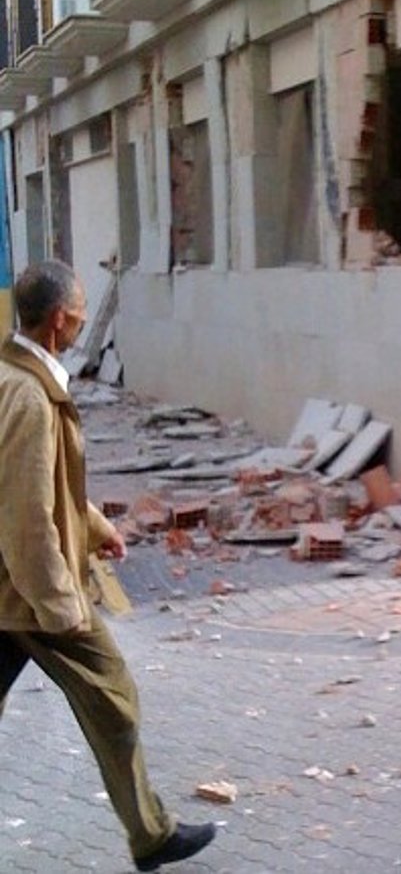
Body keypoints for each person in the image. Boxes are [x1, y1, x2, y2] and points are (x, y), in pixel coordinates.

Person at [0, 260, 216, 871]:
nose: (82, 322)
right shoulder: (30, 398)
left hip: (10, 588)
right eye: (79, 313)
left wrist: (96, 528)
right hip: (29, 591)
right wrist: (61, 606)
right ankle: (152, 835)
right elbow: (27, 515)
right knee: (113, 697)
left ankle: (151, 833)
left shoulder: (14, 378)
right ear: (59, 320)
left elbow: (49, 486)